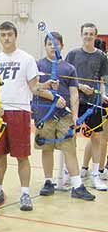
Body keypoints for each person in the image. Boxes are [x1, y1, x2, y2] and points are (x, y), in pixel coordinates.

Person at [34, 31, 95, 201]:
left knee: (69, 149)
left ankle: (77, 185)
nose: (53, 46)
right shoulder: (38, 65)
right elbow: (34, 88)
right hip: (44, 114)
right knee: (46, 149)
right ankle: (48, 181)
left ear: (62, 46)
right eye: (49, 44)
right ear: (45, 46)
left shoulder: (69, 68)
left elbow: (74, 94)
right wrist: (50, 95)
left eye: (56, 43)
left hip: (64, 116)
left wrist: (75, 116)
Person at [0, 21, 39, 211]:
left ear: (15, 36)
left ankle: (25, 194)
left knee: (22, 156)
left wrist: (46, 88)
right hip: (0, 113)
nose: (7, 38)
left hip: (21, 112)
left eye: (10, 34)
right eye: (3, 35)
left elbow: (35, 87)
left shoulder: (27, 59)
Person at [65, 23, 108, 191]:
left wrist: (102, 94)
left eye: (91, 34)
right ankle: (70, 172)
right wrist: (80, 87)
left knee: (96, 137)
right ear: (81, 35)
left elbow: (102, 80)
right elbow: (67, 78)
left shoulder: (101, 57)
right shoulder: (73, 54)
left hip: (94, 103)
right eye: (85, 33)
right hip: (76, 102)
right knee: (70, 138)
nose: (88, 36)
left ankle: (96, 174)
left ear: (95, 36)